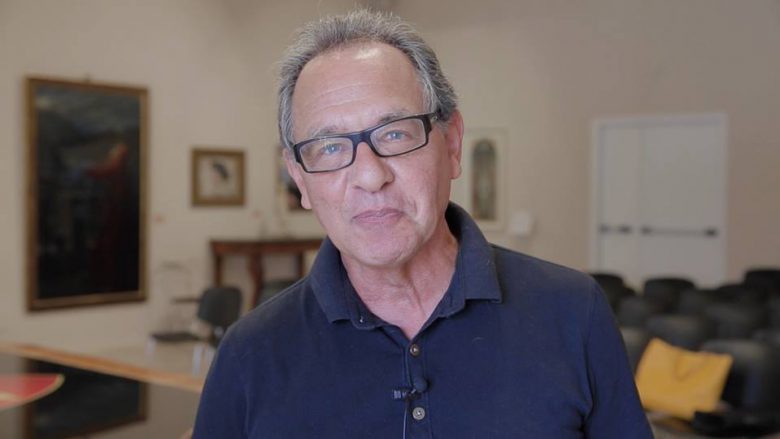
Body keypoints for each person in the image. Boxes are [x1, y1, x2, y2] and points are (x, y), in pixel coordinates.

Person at [193, 9, 652, 438]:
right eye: (329, 147)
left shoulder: (574, 312)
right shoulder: (248, 354)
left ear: (452, 145)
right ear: (301, 181)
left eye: (395, 133)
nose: (370, 175)